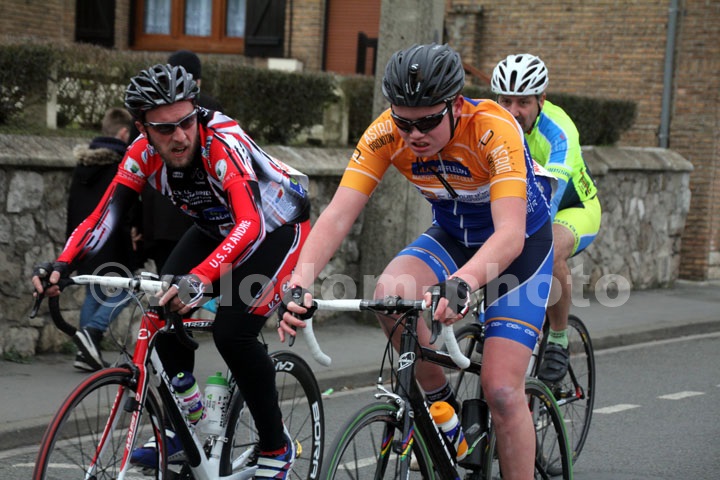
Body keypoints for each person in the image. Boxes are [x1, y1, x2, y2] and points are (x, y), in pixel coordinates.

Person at [280, 43, 554, 479]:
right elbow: (338, 215)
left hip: (520, 245)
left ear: (456, 105)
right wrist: (299, 282)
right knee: (389, 295)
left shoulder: (493, 127)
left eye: (427, 121)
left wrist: (463, 282)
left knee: (502, 391)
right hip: (454, 236)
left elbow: (509, 234)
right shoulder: (385, 133)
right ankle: (443, 411)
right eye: (404, 122)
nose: (414, 135)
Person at [31, 64, 310, 479]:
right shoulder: (140, 154)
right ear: (142, 128)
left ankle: (276, 447)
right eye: (165, 129)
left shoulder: (221, 143)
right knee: (160, 313)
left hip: (276, 228)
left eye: (186, 122)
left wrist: (198, 279)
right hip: (216, 228)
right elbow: (105, 216)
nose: (180, 136)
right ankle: (186, 422)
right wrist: (61, 264)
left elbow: (250, 224)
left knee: (233, 333)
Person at [491, 53, 601, 383]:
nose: (513, 111)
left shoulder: (559, 131)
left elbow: (551, 197)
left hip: (573, 208)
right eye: (506, 101)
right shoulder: (491, 125)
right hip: (522, 207)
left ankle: (558, 339)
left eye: (523, 102)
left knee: (547, 249)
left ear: (541, 99)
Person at [137, 50, 222, 272]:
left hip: (160, 220)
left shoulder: (147, 110)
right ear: (198, 81)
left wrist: (136, 221)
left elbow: (135, 173)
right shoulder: (210, 109)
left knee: (167, 281)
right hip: (199, 220)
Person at [65, 106, 136, 372]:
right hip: (112, 240)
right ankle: (92, 332)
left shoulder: (83, 165)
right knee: (128, 290)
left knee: (93, 292)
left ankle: (85, 352)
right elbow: (123, 205)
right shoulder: (119, 164)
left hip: (85, 240)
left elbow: (72, 205)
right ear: (124, 133)